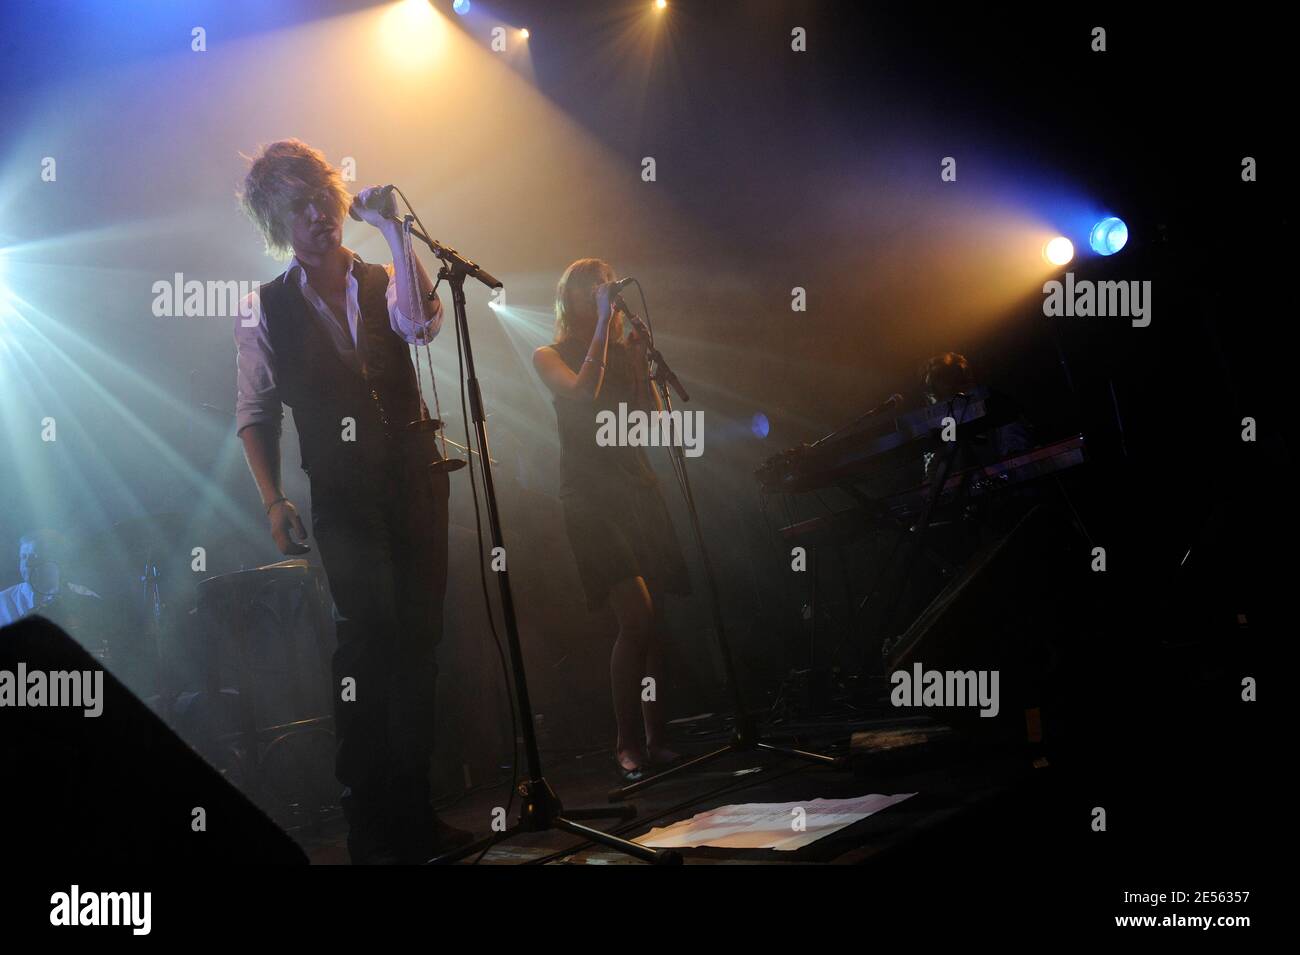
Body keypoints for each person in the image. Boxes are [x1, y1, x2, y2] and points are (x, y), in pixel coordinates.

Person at [234, 139, 468, 863]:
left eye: (322, 200)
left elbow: (420, 324)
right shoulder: (264, 308)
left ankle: (416, 814)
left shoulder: (381, 275)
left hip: (416, 475)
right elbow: (255, 413)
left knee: (421, 646)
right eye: (297, 208)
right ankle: (370, 821)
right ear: (278, 223)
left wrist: (395, 230)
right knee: (368, 645)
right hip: (342, 496)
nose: (316, 215)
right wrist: (275, 502)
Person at [532, 258, 692, 781]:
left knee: (656, 621)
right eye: (590, 287)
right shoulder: (548, 355)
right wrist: (605, 325)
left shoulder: (624, 352)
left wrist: (644, 364)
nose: (601, 292)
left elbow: (650, 422)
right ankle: (625, 740)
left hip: (636, 487)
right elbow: (582, 393)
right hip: (590, 497)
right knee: (636, 617)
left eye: (605, 285)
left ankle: (656, 735)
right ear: (570, 298)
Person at [0, 530, 99, 628]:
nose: (26, 564)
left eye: (34, 557)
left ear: (57, 559)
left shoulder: (85, 597)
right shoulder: (3, 602)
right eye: (23, 557)